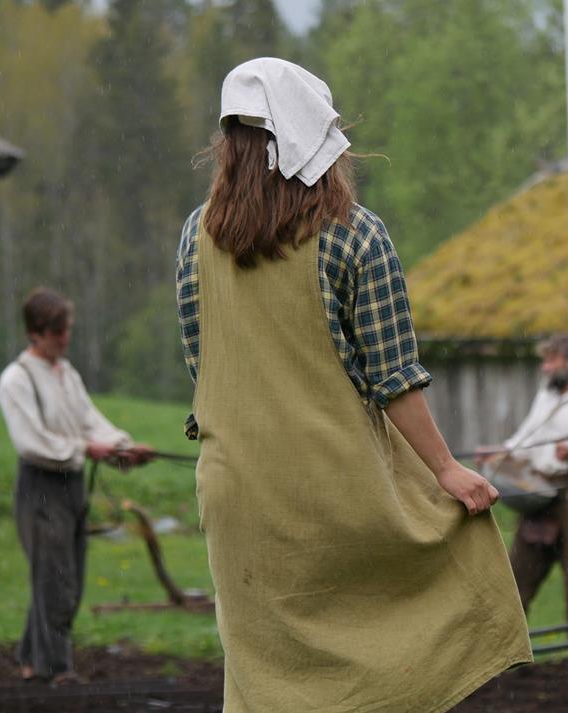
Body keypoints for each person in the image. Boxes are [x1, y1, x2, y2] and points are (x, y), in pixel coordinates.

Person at [175, 58, 530, 712]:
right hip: (335, 489)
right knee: (384, 658)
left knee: (264, 679)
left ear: (229, 145)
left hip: (238, 501)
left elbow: (207, 371)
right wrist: (449, 471)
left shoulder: (193, 239)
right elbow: (394, 378)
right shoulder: (356, 235)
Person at [0, 287, 154, 683]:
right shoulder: (15, 380)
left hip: (73, 485)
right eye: (57, 331)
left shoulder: (67, 374)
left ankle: (31, 661)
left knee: (68, 576)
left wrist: (126, 447)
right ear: (36, 331)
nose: (65, 338)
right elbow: (33, 443)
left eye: (67, 329)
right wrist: (91, 449)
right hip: (39, 488)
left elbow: (92, 423)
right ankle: (56, 669)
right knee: (56, 581)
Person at [475, 335, 568, 621]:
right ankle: (508, 642)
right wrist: (499, 452)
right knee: (517, 573)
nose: (544, 368)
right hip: (539, 495)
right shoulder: (545, 397)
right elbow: (525, 441)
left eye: (550, 360)